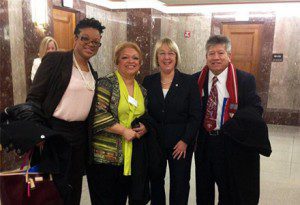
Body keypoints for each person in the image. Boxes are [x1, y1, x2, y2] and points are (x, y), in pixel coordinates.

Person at [26, 18, 105, 205]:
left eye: (96, 42)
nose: (90, 44)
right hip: (54, 134)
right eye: (85, 38)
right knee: (51, 191)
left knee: (73, 189)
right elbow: (34, 99)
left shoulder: (92, 73)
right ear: (75, 38)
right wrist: (38, 135)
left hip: (79, 137)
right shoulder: (56, 60)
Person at [194, 35, 271, 205]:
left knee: (228, 190)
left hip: (229, 142)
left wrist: (231, 126)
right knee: (203, 190)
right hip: (204, 144)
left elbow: (255, 108)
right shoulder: (195, 80)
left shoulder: (244, 79)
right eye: (211, 53)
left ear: (229, 55)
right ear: (206, 56)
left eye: (220, 53)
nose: (215, 58)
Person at [87, 41, 157, 205]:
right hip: (106, 157)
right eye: (125, 57)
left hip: (132, 157)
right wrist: (123, 131)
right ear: (117, 61)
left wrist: (145, 126)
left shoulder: (142, 90)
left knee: (125, 198)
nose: (130, 61)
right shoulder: (107, 83)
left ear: (140, 63)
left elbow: (145, 114)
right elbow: (97, 114)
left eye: (135, 58)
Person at [143, 38, 201, 205]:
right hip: (155, 142)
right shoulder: (148, 81)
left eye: (171, 53)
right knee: (155, 182)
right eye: (162, 53)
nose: (166, 57)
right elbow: (144, 111)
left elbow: (195, 115)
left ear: (176, 57)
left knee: (180, 184)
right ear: (156, 57)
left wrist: (185, 141)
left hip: (180, 144)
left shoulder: (189, 82)